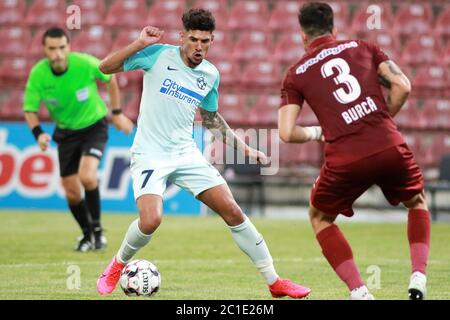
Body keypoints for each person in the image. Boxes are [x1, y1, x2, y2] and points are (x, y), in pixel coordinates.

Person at [96, 8, 311, 299]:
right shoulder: (158, 54)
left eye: (205, 41)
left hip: (186, 153)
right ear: (182, 36)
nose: (199, 47)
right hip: (150, 153)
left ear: (212, 40)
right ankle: (117, 265)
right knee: (150, 221)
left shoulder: (210, 74)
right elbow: (104, 68)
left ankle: (275, 282)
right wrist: (138, 44)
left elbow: (211, 119)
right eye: (194, 39)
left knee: (233, 211)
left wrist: (246, 148)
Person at [278, 2, 430, 300]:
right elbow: (402, 86)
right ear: (334, 29)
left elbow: (286, 132)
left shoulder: (295, 73)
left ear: (303, 37)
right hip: (388, 144)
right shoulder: (364, 46)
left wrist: (318, 132)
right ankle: (418, 279)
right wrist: (380, 122)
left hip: (346, 157)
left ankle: (360, 292)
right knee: (417, 202)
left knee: (320, 217)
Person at [23, 27, 134, 252]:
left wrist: (117, 112)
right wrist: (39, 134)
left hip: (94, 126)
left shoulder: (85, 63)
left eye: (62, 47)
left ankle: (99, 233)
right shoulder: (38, 74)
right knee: (71, 191)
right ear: (44, 49)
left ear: (69, 47)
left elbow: (110, 78)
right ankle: (87, 235)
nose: (58, 53)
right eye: (52, 49)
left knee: (87, 175)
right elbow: (30, 109)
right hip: (65, 133)